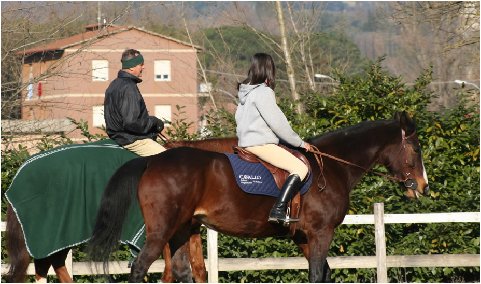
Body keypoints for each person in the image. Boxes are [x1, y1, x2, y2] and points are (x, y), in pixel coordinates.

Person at [235, 53, 311, 224]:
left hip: (245, 144)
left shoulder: (245, 93)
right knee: (300, 168)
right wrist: (299, 142)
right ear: (269, 69)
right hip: (261, 145)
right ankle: (278, 210)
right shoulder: (263, 92)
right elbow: (278, 123)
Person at [104, 49, 166, 156]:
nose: (144, 67)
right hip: (131, 139)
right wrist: (154, 121)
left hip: (118, 136)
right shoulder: (129, 87)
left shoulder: (114, 84)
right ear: (132, 67)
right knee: (169, 159)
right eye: (141, 64)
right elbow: (131, 123)